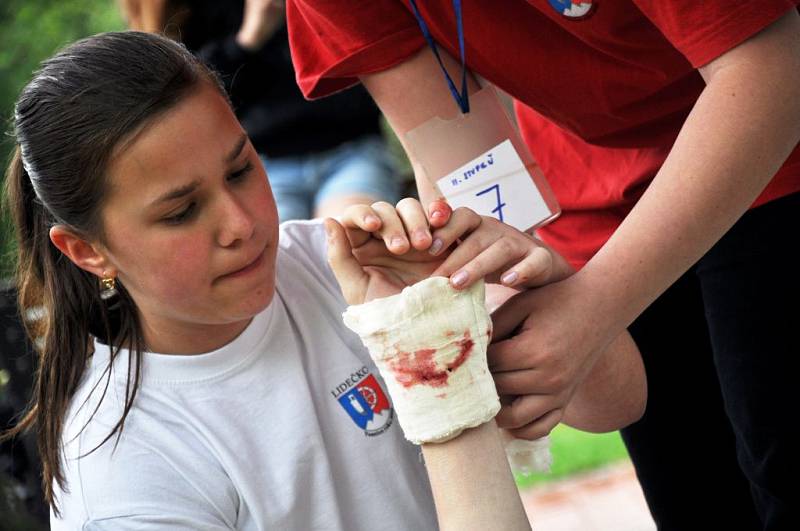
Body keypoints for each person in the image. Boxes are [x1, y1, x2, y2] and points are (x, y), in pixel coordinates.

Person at [0, 31, 644, 529]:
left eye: (241, 170)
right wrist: (429, 363)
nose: (240, 224)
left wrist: (545, 288)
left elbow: (616, 403)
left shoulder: (336, 265)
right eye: (180, 211)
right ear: (87, 252)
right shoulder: (125, 474)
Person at [285, 2, 800, 529]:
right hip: (589, 186)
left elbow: (772, 67)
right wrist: (515, 320)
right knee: (694, 494)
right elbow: (456, 148)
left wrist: (594, 306)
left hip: (773, 149)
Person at [122, 0, 401, 222]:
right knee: (279, 265)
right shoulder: (178, 11)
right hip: (260, 166)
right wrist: (249, 39)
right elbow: (184, 103)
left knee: (346, 240)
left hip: (350, 150)